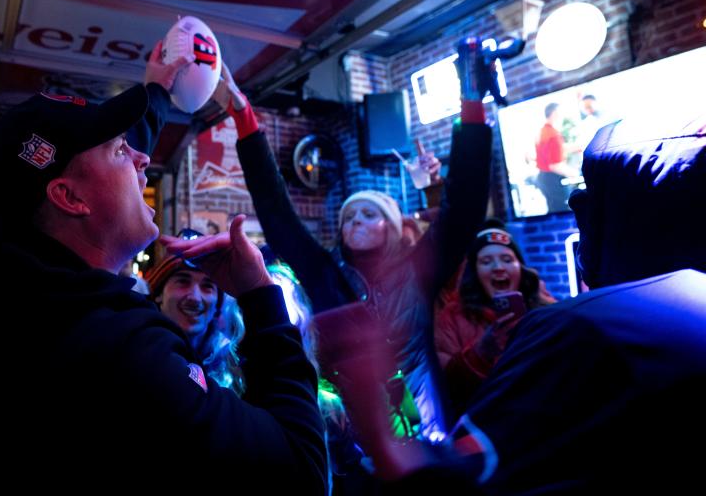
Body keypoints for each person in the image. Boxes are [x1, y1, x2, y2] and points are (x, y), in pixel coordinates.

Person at [0, 43, 327, 494]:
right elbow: (302, 470)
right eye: (120, 149)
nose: (143, 158)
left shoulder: (5, 308)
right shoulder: (122, 352)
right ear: (70, 199)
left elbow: (96, 179)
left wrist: (156, 94)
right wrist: (262, 302)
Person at [329, 111, 706, 494]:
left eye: (593, 192)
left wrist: (366, 404)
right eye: (485, 260)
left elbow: (453, 485)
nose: (577, 204)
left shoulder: (576, 327)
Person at [213, 55, 493, 440]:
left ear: (393, 229)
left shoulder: (418, 272)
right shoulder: (326, 275)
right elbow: (277, 212)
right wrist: (244, 117)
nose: (355, 222)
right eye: (349, 217)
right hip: (349, 437)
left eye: (368, 215)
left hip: (425, 431)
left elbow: (464, 206)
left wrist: (472, 104)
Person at [434, 226, 554, 416]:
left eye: (507, 260)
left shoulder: (547, 310)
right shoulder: (451, 318)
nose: (498, 267)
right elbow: (448, 385)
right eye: (486, 261)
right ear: (474, 272)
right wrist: (480, 354)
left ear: (520, 268)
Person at [146, 253, 245, 395]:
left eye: (207, 286)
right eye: (183, 282)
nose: (195, 298)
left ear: (218, 303)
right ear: (158, 294)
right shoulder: (135, 355)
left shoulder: (235, 364)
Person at [534, 102, 575, 213]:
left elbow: (551, 151)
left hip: (543, 178)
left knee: (554, 211)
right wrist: (575, 174)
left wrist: (574, 148)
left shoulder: (543, 131)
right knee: (562, 212)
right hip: (553, 179)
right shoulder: (553, 135)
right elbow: (554, 165)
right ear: (555, 113)